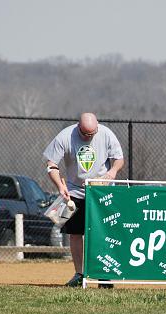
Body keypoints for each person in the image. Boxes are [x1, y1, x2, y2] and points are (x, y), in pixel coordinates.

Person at [43, 112, 124, 287]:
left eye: (92, 133)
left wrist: (112, 172)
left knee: (103, 234)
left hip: (101, 191)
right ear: (78, 126)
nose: (89, 137)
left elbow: (119, 159)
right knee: (75, 234)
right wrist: (60, 186)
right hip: (75, 191)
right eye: (85, 133)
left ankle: (104, 274)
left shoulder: (106, 134)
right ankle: (80, 273)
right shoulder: (65, 136)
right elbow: (51, 165)